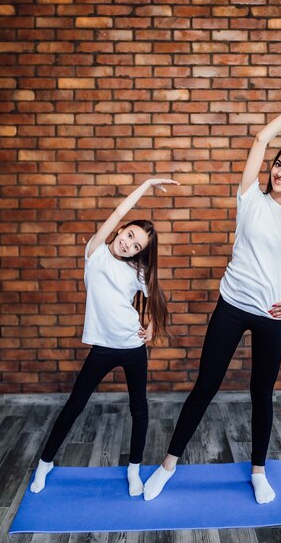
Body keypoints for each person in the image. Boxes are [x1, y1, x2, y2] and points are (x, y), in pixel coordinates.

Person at [143, 95, 281, 504]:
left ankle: (258, 472)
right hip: (231, 306)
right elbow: (261, 136)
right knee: (205, 386)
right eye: (279, 165)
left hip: (271, 315)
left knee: (261, 394)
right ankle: (167, 466)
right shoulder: (250, 197)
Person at [30, 177, 179, 497]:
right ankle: (44, 463)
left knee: (139, 409)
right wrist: (146, 184)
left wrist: (151, 324)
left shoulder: (137, 272)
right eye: (128, 235)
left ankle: (134, 470)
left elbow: (155, 298)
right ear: (120, 230)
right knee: (74, 405)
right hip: (102, 348)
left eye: (137, 246)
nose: (128, 244)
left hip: (132, 347)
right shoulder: (95, 251)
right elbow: (118, 211)